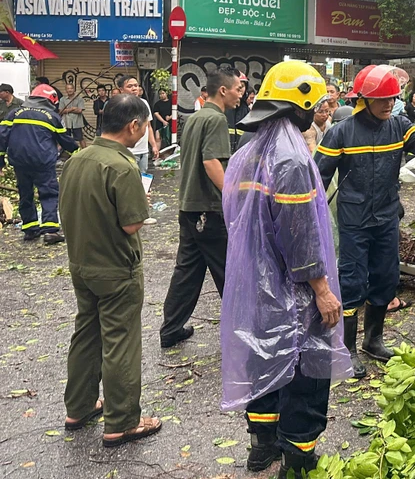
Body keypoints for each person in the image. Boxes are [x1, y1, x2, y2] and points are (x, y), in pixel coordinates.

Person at [222, 61, 352, 478]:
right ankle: (297, 463)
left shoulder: (248, 153)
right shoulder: (291, 158)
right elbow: (300, 234)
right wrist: (321, 288)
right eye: (315, 105)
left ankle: (261, 449)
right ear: (300, 103)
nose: (319, 112)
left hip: (258, 284)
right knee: (307, 372)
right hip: (293, 289)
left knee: (265, 361)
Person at [315, 65, 415, 378]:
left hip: (387, 217)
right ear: (363, 99)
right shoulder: (342, 132)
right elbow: (318, 173)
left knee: (386, 277)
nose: (389, 104)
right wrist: (307, 211)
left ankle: (373, 341)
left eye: (392, 98)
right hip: (355, 219)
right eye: (382, 99)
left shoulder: (399, 126)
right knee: (351, 282)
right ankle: (345, 349)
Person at [60, 93, 162, 448]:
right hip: (117, 268)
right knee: (120, 342)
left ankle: (79, 406)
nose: (144, 131)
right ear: (134, 126)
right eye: (145, 125)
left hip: (82, 264)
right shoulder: (122, 166)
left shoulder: (77, 158)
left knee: (86, 333)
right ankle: (121, 422)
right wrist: (141, 203)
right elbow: (132, 223)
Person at [159, 68, 242, 349]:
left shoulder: (195, 117)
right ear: (223, 90)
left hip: (189, 207)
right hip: (209, 209)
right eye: (237, 89)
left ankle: (171, 328)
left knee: (188, 270)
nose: (240, 95)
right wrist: (233, 195)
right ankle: (242, 334)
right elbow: (211, 163)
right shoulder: (217, 119)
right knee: (228, 271)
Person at [0, 84, 79, 243]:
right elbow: (65, 140)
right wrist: (78, 154)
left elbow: (2, 138)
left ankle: (30, 229)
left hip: (19, 162)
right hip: (43, 162)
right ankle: (50, 231)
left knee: (25, 194)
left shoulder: (14, 113)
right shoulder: (51, 116)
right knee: (48, 193)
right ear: (51, 100)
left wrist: (1, 162)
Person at [118, 76, 158, 174]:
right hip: (128, 152)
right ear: (121, 90)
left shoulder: (144, 103)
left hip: (143, 151)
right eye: (130, 86)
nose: (134, 88)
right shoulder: (119, 105)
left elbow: (148, 126)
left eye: (136, 85)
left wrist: (154, 145)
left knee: (143, 178)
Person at [59, 82, 87, 149]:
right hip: (66, 122)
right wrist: (73, 108)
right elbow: (61, 111)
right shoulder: (62, 99)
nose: (70, 90)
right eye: (68, 88)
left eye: (71, 88)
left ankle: (85, 152)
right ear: (66, 90)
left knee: (80, 138)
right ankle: (65, 153)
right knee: (66, 139)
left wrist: (67, 110)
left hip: (77, 122)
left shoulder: (79, 99)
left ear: (74, 89)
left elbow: (80, 110)